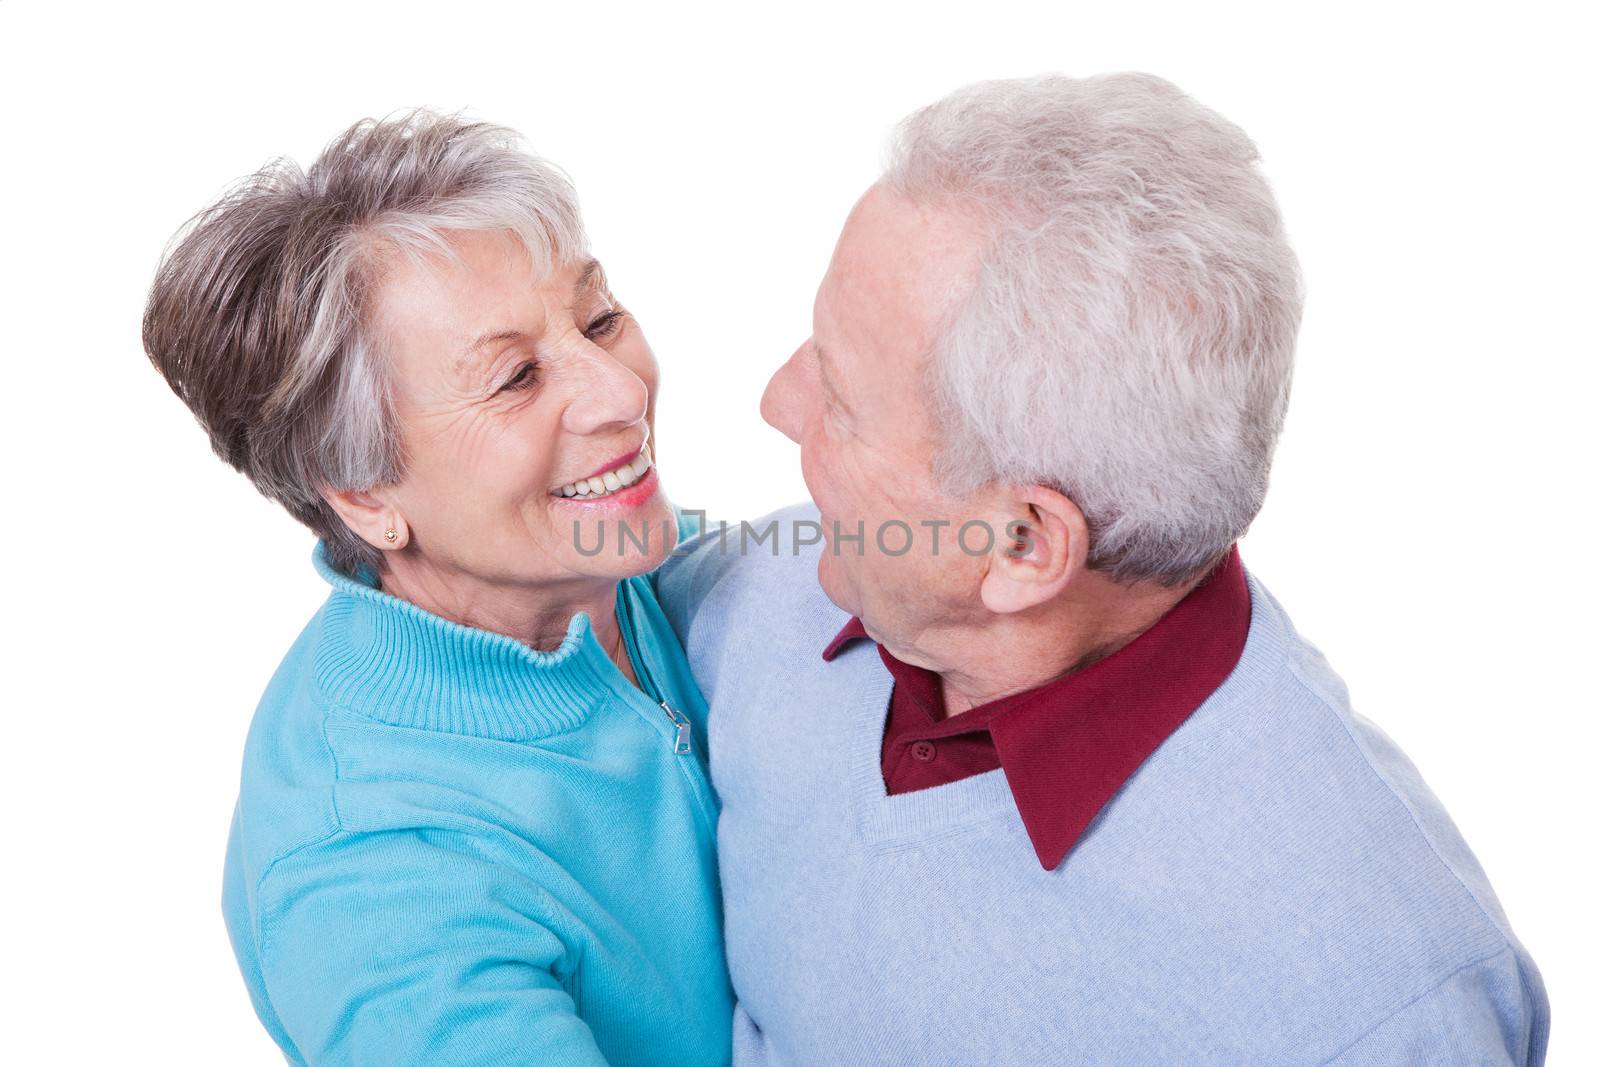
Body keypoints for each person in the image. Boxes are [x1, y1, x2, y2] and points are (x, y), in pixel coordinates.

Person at [658, 73, 1549, 1064]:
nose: (776, 402)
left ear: (1020, 544)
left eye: (841, 396)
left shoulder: (1370, 1010)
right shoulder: (773, 591)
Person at [142, 109, 733, 1065]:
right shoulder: (373, 884)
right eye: (516, 377)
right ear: (366, 493)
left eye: (599, 319)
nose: (621, 392)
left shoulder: (602, 566)